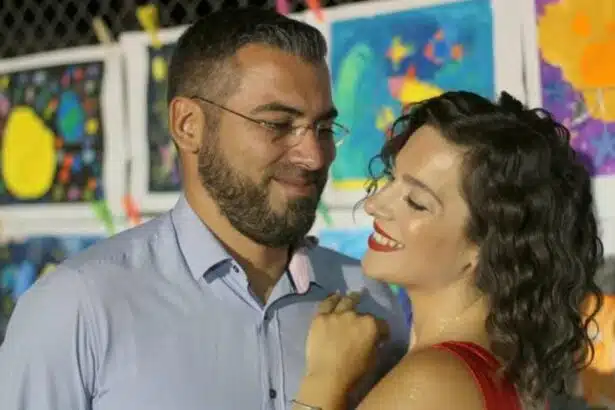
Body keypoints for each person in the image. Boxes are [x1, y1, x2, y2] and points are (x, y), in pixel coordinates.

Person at [0, 9, 408, 410]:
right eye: (277, 124)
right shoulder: (77, 308)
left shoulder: (368, 298)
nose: (314, 156)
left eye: (323, 128)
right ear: (188, 124)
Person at [289, 91, 603, 410]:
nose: (374, 204)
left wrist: (324, 380)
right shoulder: (500, 374)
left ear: (485, 245)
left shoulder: (431, 383)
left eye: (416, 202)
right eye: (391, 178)